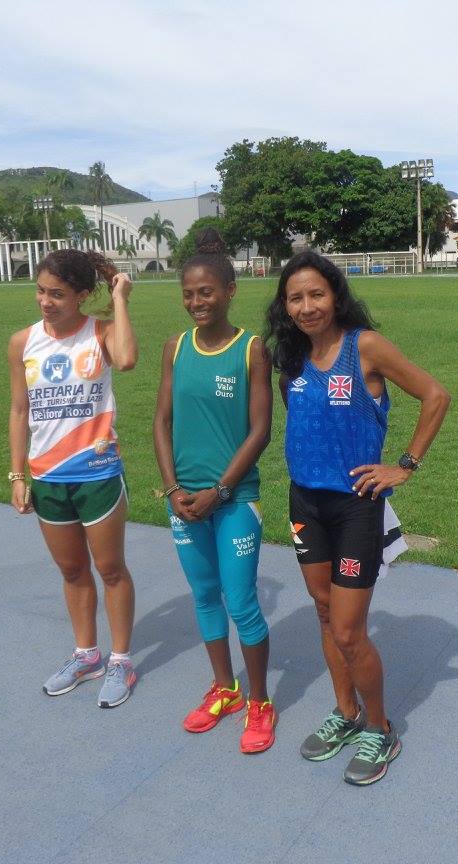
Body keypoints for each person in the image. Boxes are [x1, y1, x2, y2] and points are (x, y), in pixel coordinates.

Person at [263, 251, 450, 786]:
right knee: (325, 613)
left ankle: (380, 727)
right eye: (295, 298)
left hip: (355, 507)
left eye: (316, 294)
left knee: (348, 630)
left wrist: (405, 465)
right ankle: (346, 713)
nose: (306, 307)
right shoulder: (290, 357)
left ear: (335, 295)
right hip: (306, 504)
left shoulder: (363, 346)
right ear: (284, 306)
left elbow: (436, 395)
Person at [152, 229, 276, 753]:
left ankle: (259, 702)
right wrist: (173, 489)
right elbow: (161, 421)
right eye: (188, 293)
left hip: (233, 501)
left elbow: (260, 431)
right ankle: (225, 689)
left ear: (230, 291)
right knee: (205, 596)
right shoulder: (175, 347)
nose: (196, 302)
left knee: (241, 601)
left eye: (206, 292)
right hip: (184, 501)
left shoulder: (251, 349)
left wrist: (219, 492)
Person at [8, 248, 139, 708]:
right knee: (71, 570)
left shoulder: (100, 333)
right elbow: (19, 410)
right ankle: (87, 655)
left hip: (97, 473)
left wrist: (120, 297)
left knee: (110, 569)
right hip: (47, 477)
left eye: (57, 294)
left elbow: (126, 359)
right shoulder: (22, 342)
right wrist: (17, 473)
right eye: (41, 291)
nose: (45, 301)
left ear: (82, 295)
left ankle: (120, 660)